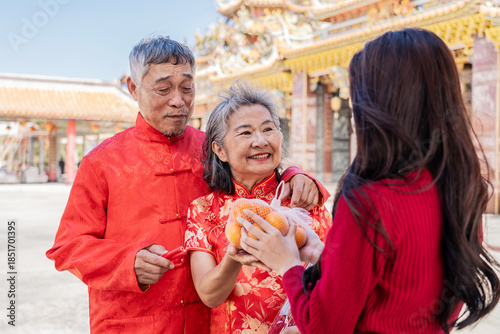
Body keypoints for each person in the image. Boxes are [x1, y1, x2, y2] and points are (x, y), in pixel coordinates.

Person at [46, 36, 326, 334]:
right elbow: (68, 247)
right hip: (131, 322)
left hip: (204, 322)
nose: (178, 100)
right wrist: (128, 262)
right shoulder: (102, 163)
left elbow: (257, 173)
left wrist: (296, 175)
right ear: (133, 88)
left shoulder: (211, 148)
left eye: (187, 87)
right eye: (164, 89)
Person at [238, 28, 500, 333]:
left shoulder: (369, 201)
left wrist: (288, 265)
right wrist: (320, 255)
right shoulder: (461, 191)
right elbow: (400, 288)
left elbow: (322, 324)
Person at [184, 81, 332, 333]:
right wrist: (233, 257)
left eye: (268, 129)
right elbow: (209, 295)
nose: (261, 141)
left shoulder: (303, 200)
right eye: (245, 133)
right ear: (220, 149)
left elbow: (339, 279)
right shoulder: (204, 209)